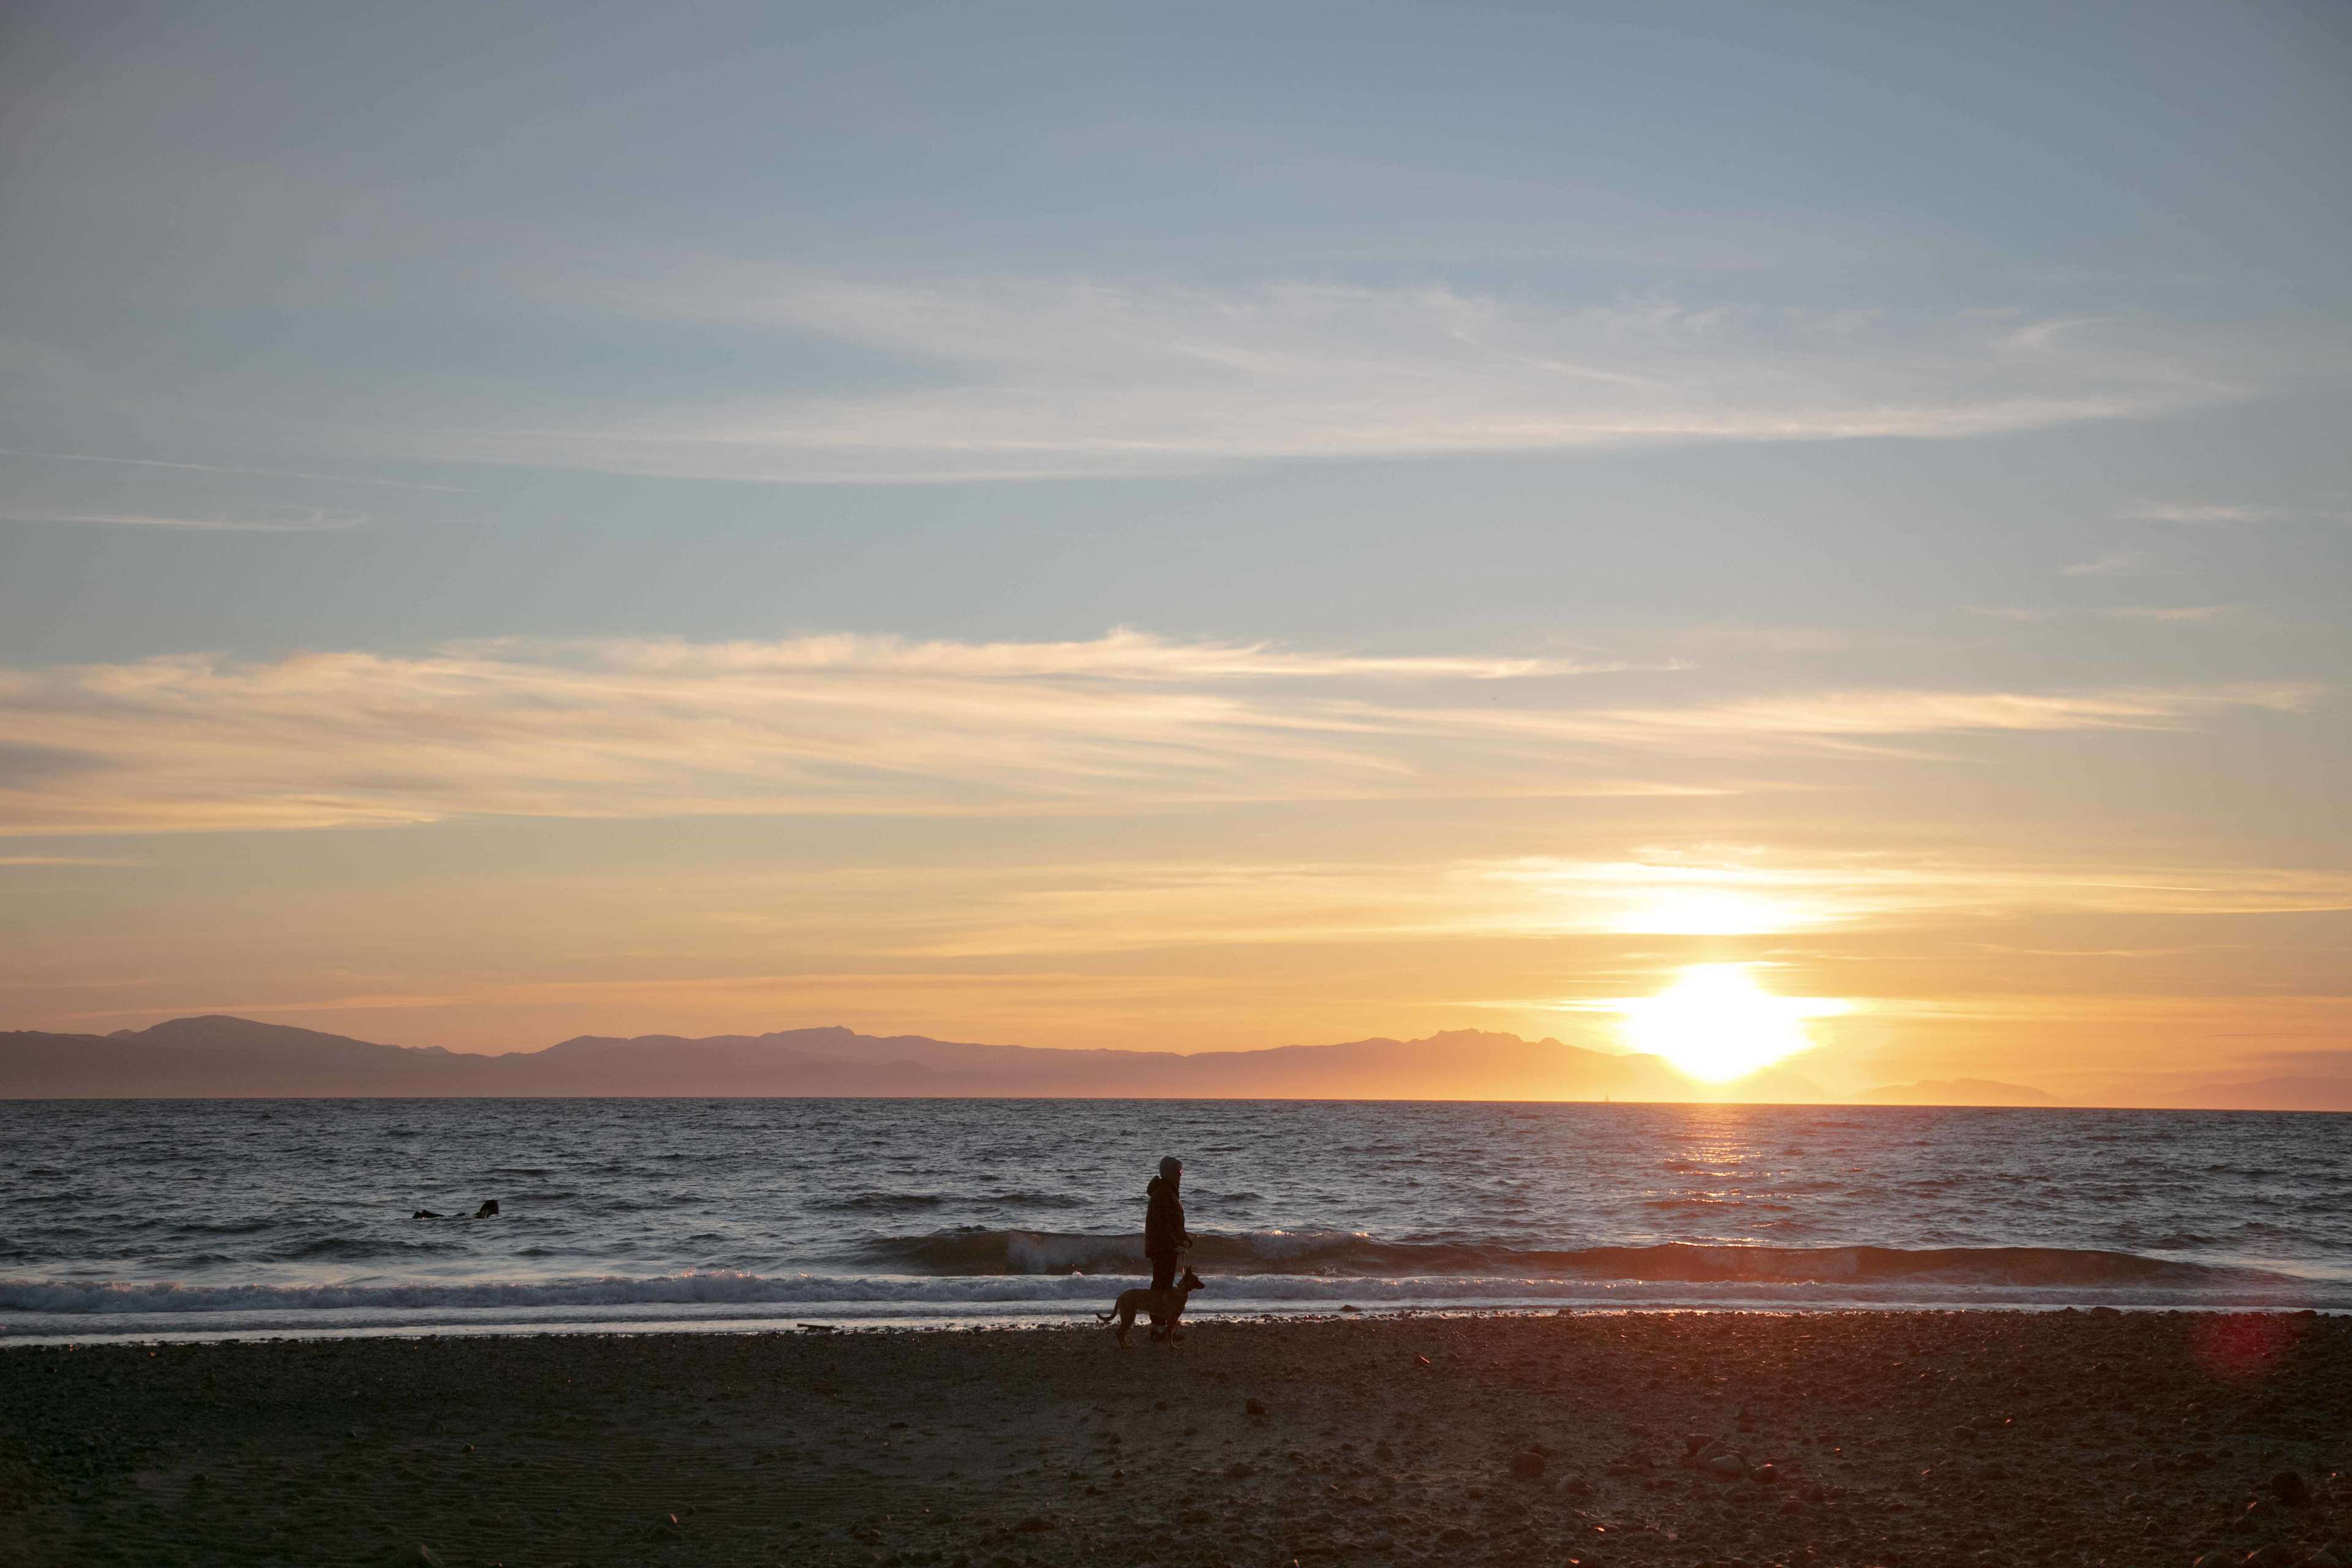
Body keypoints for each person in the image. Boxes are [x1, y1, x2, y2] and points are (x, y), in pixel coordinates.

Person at [1143, 1155, 1191, 1291]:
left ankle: (1159, 1312)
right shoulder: (1161, 1194)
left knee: (1165, 1284)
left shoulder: (1171, 1193)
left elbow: (1175, 1224)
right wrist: (1174, 1244)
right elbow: (1162, 1225)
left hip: (1168, 1247)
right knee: (1161, 1286)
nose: (1180, 1174)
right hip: (1162, 1248)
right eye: (1177, 1171)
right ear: (1167, 1173)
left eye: (1181, 1171)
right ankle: (1156, 1312)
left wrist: (1185, 1239)